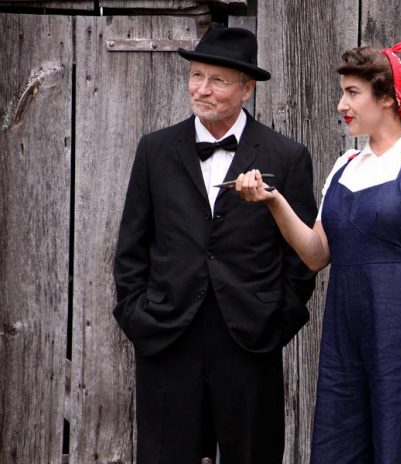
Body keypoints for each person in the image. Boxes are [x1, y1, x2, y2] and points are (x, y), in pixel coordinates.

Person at [236, 42, 401, 463]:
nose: (342, 104)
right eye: (342, 92)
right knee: (337, 449)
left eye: (353, 92)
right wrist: (273, 201)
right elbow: (315, 254)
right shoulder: (344, 165)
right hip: (344, 341)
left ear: (389, 99)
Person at [112, 23, 317, 464]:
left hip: (249, 341)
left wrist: (275, 321)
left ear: (246, 90)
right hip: (168, 338)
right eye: (196, 76)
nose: (201, 89)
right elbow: (132, 246)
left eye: (217, 80)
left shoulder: (287, 156)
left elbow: (301, 261)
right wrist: (137, 315)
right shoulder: (155, 150)